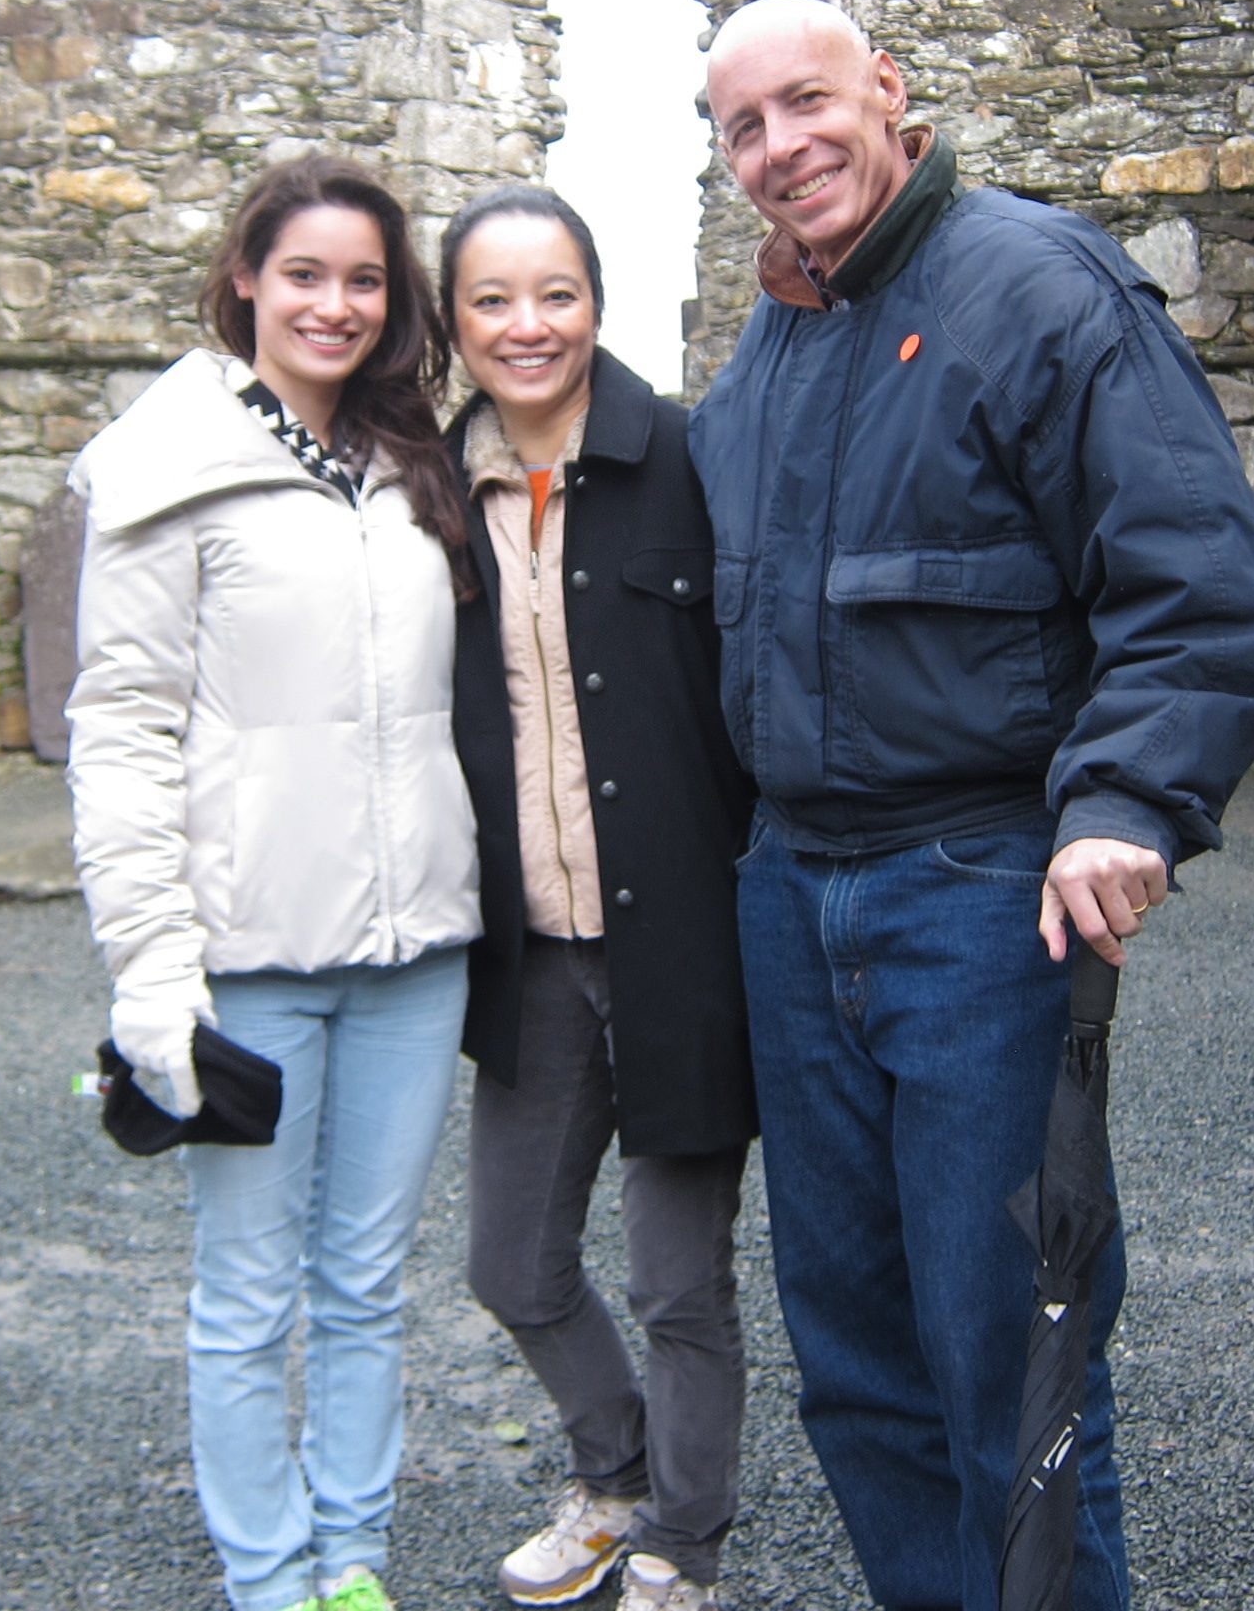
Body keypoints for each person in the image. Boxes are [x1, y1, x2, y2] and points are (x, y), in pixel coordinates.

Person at [687, 0, 1254, 1611]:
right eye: (742, 129)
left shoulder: (1038, 285)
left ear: (888, 90)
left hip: (975, 894)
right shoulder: (771, 343)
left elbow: (1198, 582)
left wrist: (1126, 802)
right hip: (791, 898)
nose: (779, 150)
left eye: (806, 105)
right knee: (857, 1358)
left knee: (1004, 1357)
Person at [64, 155, 482, 1611]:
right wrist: (149, 970)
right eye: (304, 273)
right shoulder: (168, 460)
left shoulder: (407, 460)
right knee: (248, 1295)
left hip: (416, 951)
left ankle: (352, 1560)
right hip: (246, 954)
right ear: (245, 277)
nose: (335, 304)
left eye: (365, 280)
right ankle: (266, 1576)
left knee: (366, 1284)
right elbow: (116, 729)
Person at [438, 186, 757, 1611]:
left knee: (681, 1284)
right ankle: (613, 1478)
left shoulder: (690, 460)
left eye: (554, 293)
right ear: (453, 321)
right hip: (530, 953)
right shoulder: (432, 495)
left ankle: (683, 1545)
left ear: (597, 303)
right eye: (493, 299)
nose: (527, 325)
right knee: (513, 1262)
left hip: (683, 941)